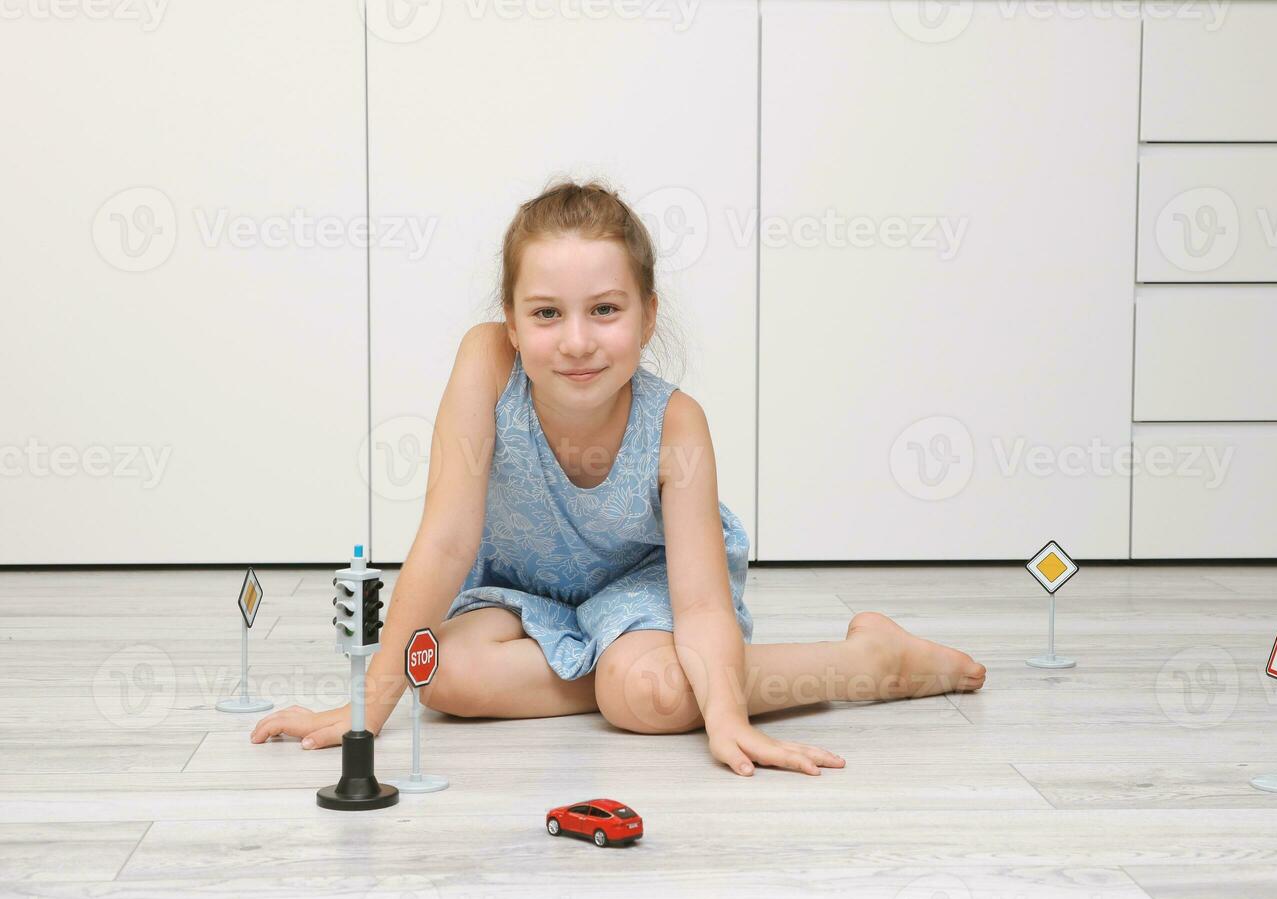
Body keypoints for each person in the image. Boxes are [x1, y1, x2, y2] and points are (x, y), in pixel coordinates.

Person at [251, 178, 986, 776]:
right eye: (546, 313)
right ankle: (628, 676)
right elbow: (446, 540)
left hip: (648, 593)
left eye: (605, 310)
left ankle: (869, 663)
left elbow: (699, 605)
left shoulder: (676, 424)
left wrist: (723, 717)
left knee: (648, 697)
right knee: (433, 673)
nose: (576, 342)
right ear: (509, 320)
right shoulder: (485, 363)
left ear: (646, 315)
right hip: (522, 590)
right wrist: (367, 710)